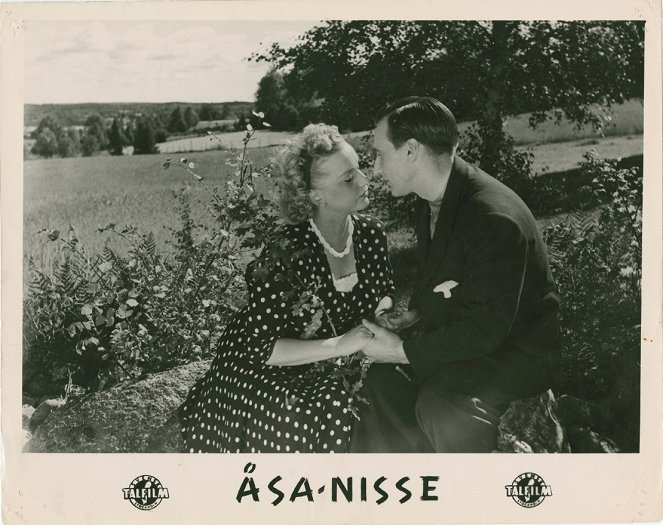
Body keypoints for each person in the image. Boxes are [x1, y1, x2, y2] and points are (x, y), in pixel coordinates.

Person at [352, 97, 561, 453]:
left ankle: (466, 496)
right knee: (379, 379)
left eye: (379, 153)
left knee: (442, 405)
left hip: (515, 353)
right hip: (477, 338)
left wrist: (403, 350)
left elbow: (485, 330)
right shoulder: (433, 197)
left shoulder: (492, 218)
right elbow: (449, 280)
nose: (375, 167)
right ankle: (413, 481)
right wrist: (414, 315)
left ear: (411, 151)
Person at [179, 123, 394, 453]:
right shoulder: (287, 252)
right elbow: (264, 348)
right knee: (322, 408)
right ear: (314, 195)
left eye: (360, 169)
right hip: (264, 364)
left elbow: (383, 293)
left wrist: (385, 316)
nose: (364, 181)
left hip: (331, 359)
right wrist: (341, 345)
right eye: (348, 178)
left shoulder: (372, 235)